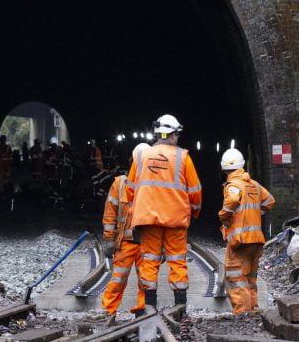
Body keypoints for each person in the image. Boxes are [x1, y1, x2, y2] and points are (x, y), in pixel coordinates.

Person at [127, 114, 202, 309]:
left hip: (148, 220)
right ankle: (180, 309)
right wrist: (193, 213)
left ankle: (149, 308)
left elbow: (130, 189)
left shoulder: (142, 156)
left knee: (149, 261)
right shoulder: (183, 157)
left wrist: (137, 212)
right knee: (177, 261)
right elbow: (195, 191)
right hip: (176, 220)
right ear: (174, 134)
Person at [218, 148, 275, 314]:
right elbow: (270, 201)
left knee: (236, 277)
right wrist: (256, 213)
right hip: (257, 240)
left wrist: (223, 215)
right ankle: (253, 309)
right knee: (250, 278)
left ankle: (242, 312)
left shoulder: (233, 184)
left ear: (224, 169)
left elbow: (233, 200)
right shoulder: (254, 185)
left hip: (240, 241)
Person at [100, 143, 149, 316]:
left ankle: (143, 311)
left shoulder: (153, 186)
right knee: (118, 279)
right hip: (125, 242)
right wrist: (108, 239)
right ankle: (108, 311)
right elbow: (110, 212)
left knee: (147, 281)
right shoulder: (120, 184)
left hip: (146, 242)